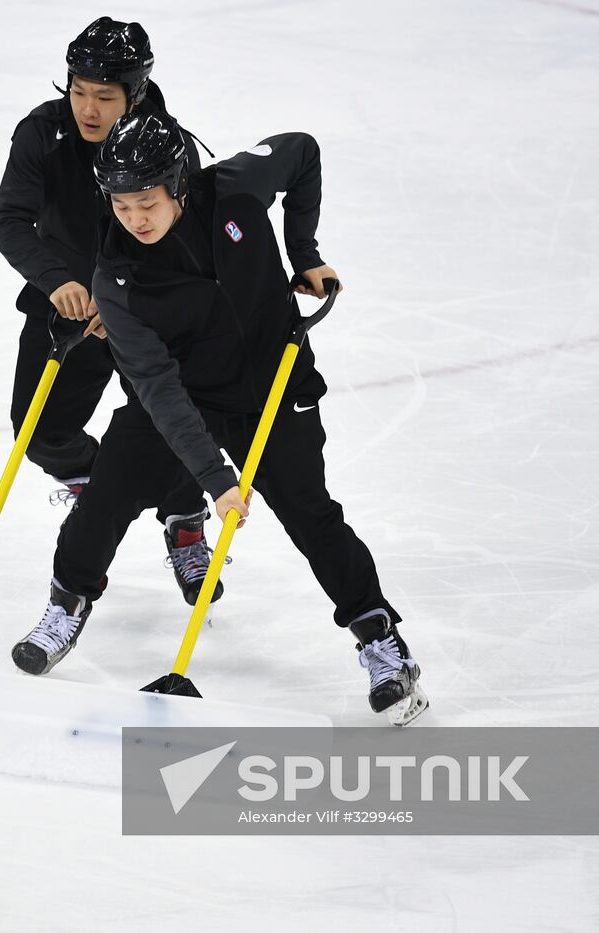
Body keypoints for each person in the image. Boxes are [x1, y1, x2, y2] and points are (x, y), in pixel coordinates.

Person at [85, 111, 427, 725]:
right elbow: (158, 389)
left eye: (146, 203)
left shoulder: (236, 189)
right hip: (200, 396)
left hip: (278, 386)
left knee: (310, 515)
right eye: (120, 205)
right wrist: (217, 482)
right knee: (140, 462)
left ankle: (382, 641)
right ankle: (178, 523)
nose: (134, 219)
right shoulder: (118, 272)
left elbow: (302, 150)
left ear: (178, 188)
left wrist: (305, 252)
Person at [0, 18, 220, 676]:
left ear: (137, 92)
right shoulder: (41, 131)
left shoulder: (167, 145)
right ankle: (117, 492)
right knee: (39, 430)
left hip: (143, 309)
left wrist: (123, 299)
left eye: (106, 96)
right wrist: (61, 281)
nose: (88, 108)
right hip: (64, 303)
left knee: (162, 423)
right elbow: (10, 219)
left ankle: (182, 516)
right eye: (80, 91)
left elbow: (182, 240)